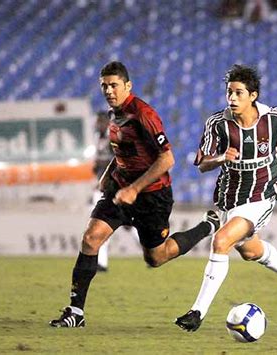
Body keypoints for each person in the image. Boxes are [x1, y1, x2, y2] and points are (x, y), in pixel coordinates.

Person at [49, 61, 220, 328]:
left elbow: (167, 159)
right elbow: (126, 153)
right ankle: (76, 312)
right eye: (104, 86)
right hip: (120, 190)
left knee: (156, 257)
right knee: (91, 238)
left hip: (152, 196)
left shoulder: (144, 114)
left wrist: (134, 189)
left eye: (114, 85)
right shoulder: (113, 115)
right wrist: (109, 174)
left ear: (128, 86)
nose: (108, 90)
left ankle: (207, 226)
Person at [175, 64, 277, 332]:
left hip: (263, 193)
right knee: (250, 251)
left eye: (238, 93)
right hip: (230, 197)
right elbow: (202, 163)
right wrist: (220, 157)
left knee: (221, 240)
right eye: (229, 92)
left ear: (253, 95)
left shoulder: (275, 118)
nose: (232, 98)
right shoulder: (217, 124)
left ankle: (197, 312)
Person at [91, 111, 114, 272]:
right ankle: (102, 261)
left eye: (100, 121)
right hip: (103, 188)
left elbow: (119, 160)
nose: (97, 124)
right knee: (101, 223)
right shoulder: (99, 139)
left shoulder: (113, 138)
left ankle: (153, 252)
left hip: (112, 188)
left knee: (101, 222)